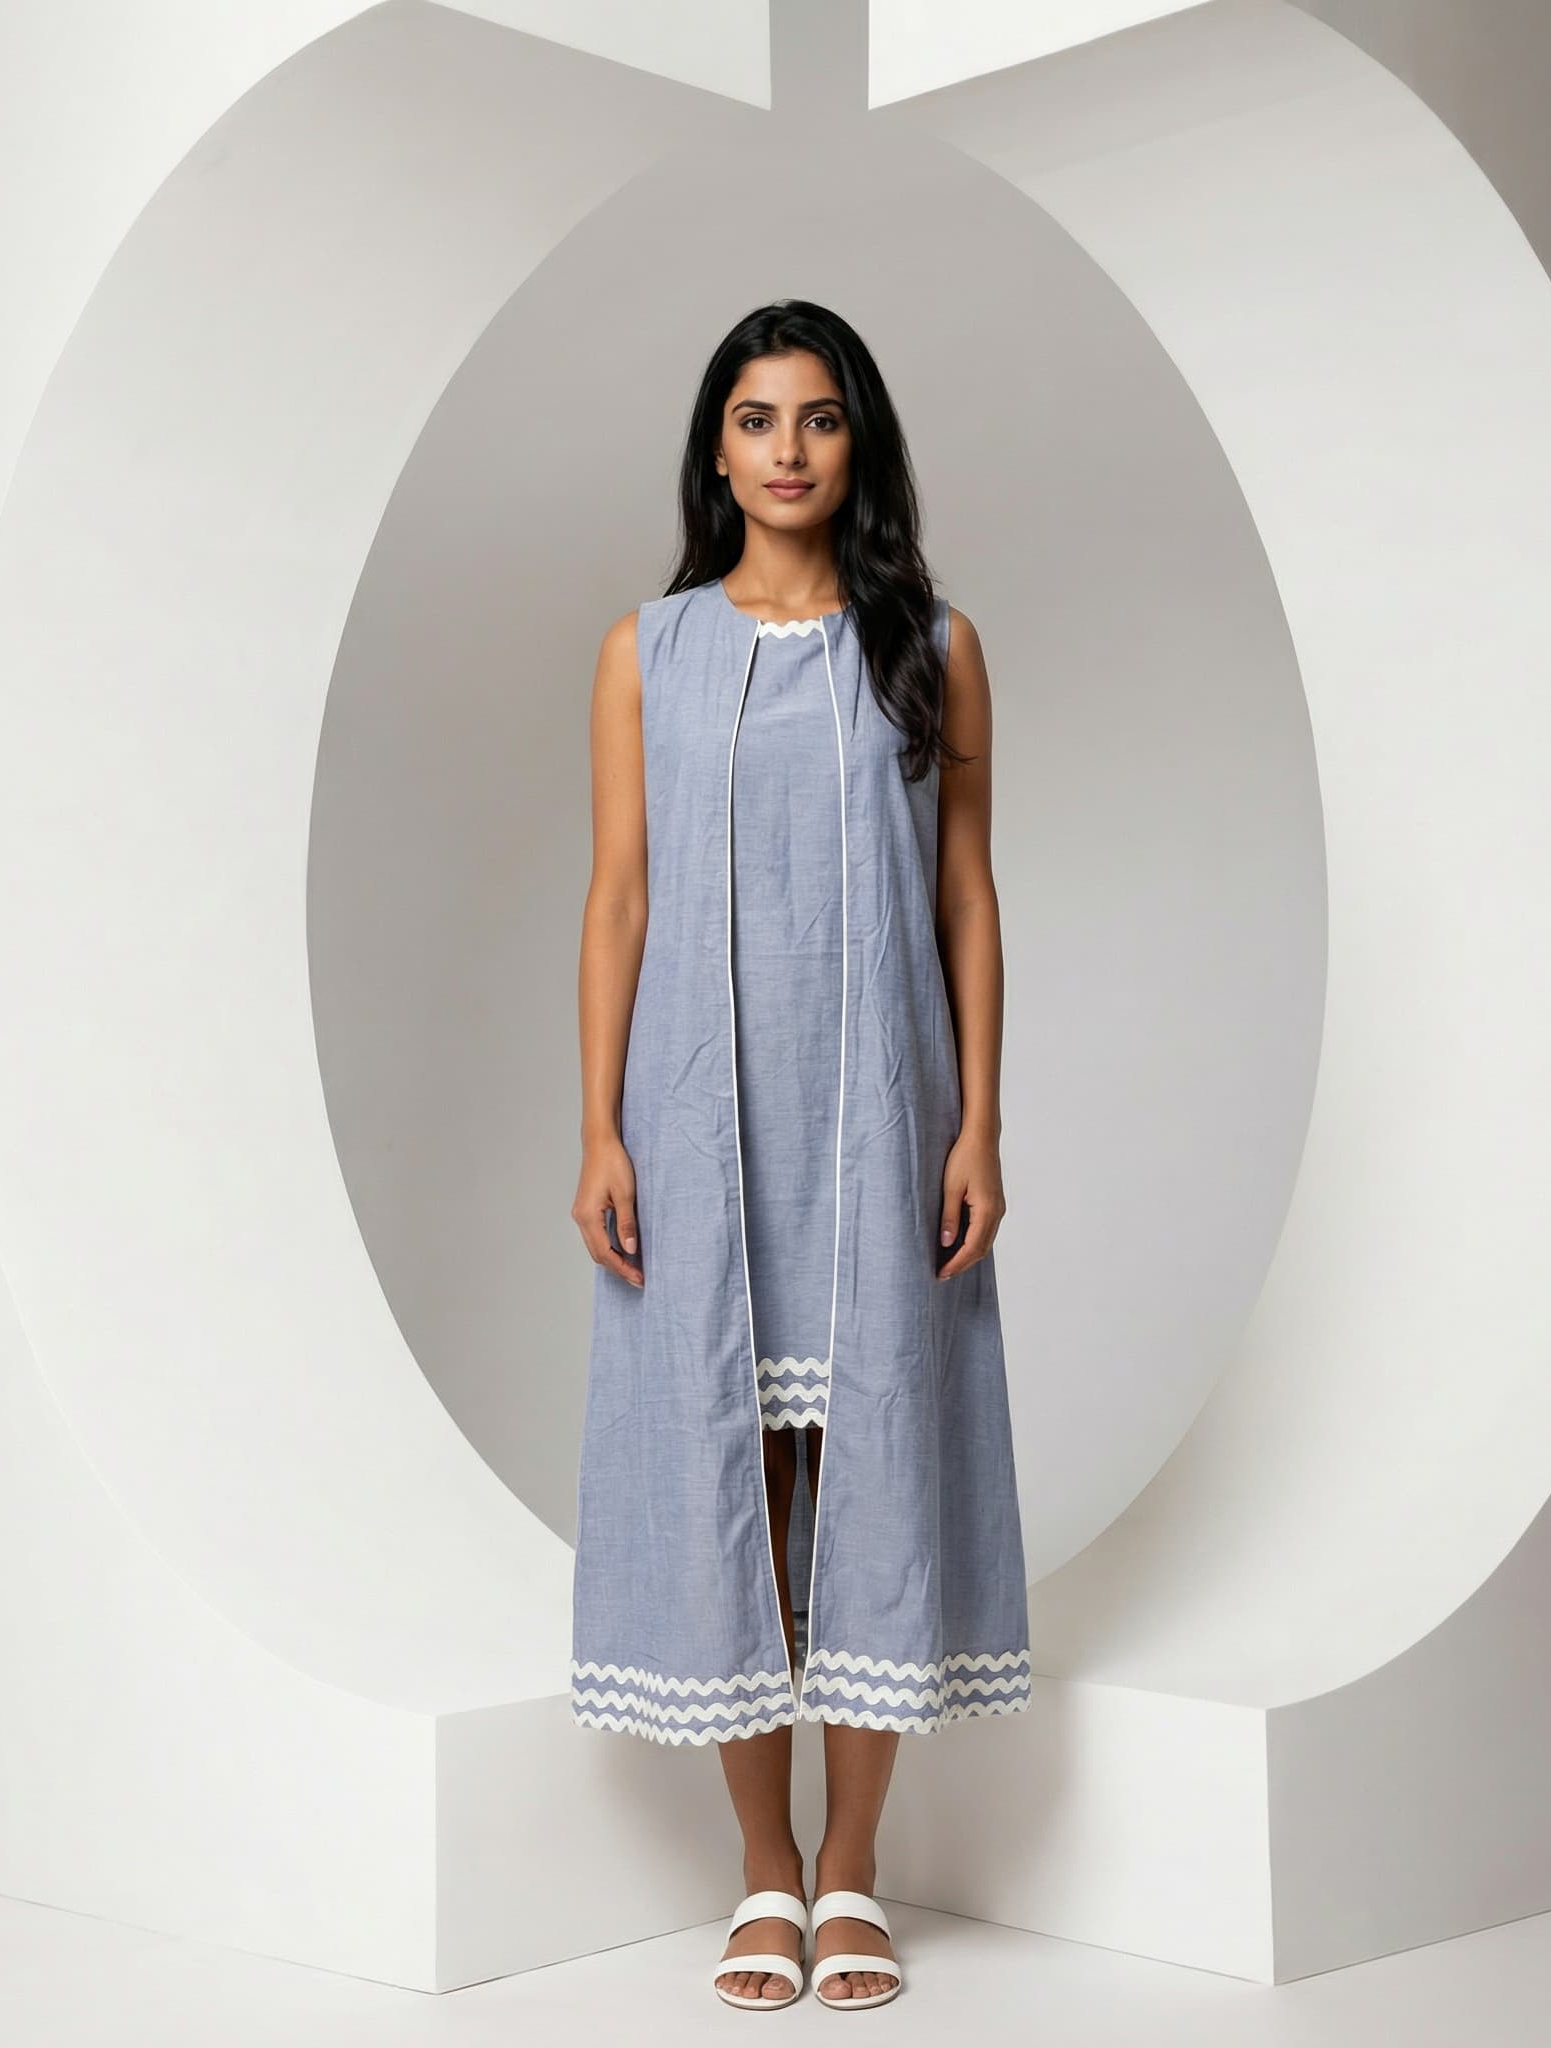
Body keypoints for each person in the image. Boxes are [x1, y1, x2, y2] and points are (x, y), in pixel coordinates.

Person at [569, 299, 1029, 2012]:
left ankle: (854, 1868)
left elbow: (966, 891)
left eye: (819, 418)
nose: (787, 449)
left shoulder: (935, 646)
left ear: (858, 443)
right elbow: (620, 896)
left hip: (882, 1111)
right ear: (716, 449)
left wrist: (980, 1118)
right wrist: (599, 1125)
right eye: (757, 419)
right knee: (735, 1480)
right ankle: (764, 1867)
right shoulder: (648, 651)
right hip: (699, 1116)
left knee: (877, 1468)